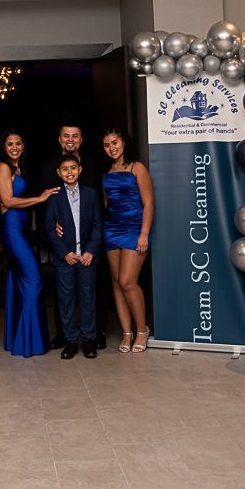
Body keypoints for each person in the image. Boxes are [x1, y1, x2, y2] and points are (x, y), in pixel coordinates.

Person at [39, 124, 108, 350]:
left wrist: (91, 251)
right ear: (58, 173)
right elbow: (49, 227)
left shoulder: (90, 194)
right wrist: (63, 252)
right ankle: (69, 340)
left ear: (80, 170)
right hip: (65, 256)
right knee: (65, 300)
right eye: (65, 170)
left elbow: (98, 224)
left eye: (73, 169)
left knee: (88, 299)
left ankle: (89, 339)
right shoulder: (54, 196)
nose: (69, 172)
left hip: (87, 255)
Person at [0, 130, 60, 357]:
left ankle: (19, 339)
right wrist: (40, 198)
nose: (14, 147)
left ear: (23, 146)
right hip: (12, 231)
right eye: (10, 143)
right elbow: (7, 200)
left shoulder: (19, 168)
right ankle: (27, 340)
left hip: (20, 229)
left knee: (20, 281)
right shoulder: (3, 167)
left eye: (18, 143)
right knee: (34, 280)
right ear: (4, 147)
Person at [101, 128, 154, 353]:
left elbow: (149, 203)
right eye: (106, 145)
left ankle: (142, 330)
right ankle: (126, 332)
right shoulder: (107, 172)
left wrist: (143, 233)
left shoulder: (136, 167)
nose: (111, 148)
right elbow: (107, 203)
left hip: (134, 230)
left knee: (127, 281)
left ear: (124, 143)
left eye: (115, 142)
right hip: (111, 230)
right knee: (115, 282)